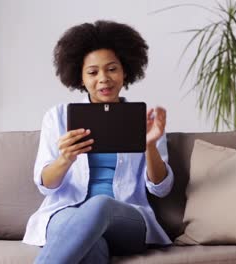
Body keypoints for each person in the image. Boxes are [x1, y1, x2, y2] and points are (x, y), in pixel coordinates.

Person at [22, 20, 174, 264]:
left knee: (100, 205)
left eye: (112, 69)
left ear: (125, 71)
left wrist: (149, 145)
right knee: (92, 247)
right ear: (80, 78)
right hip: (65, 212)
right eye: (92, 72)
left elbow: (161, 188)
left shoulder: (144, 120)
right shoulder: (58, 117)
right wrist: (65, 159)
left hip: (126, 219)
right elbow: (45, 185)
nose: (103, 79)